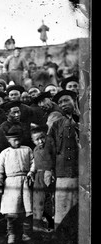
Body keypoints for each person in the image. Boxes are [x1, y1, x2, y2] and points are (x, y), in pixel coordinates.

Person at [0, 126, 35, 244]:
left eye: (18, 139)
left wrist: (31, 172)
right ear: (8, 140)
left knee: (27, 211)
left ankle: (26, 235)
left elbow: (33, 162)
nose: (17, 142)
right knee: (11, 212)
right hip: (10, 184)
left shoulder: (27, 150)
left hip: (25, 182)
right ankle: (11, 235)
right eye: (13, 140)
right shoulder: (5, 153)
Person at [44, 90, 78, 230]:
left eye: (66, 100)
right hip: (63, 173)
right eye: (60, 102)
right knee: (62, 210)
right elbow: (49, 150)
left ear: (74, 100)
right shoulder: (56, 125)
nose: (63, 104)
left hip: (83, 175)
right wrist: (48, 170)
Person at [30, 126, 55, 232]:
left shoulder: (49, 147)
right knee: (38, 200)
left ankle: (51, 223)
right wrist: (31, 172)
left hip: (48, 174)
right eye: (37, 139)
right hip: (38, 177)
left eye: (42, 138)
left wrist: (52, 171)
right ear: (33, 141)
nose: (40, 141)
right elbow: (34, 163)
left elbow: (54, 159)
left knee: (49, 199)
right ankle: (38, 224)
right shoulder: (35, 150)